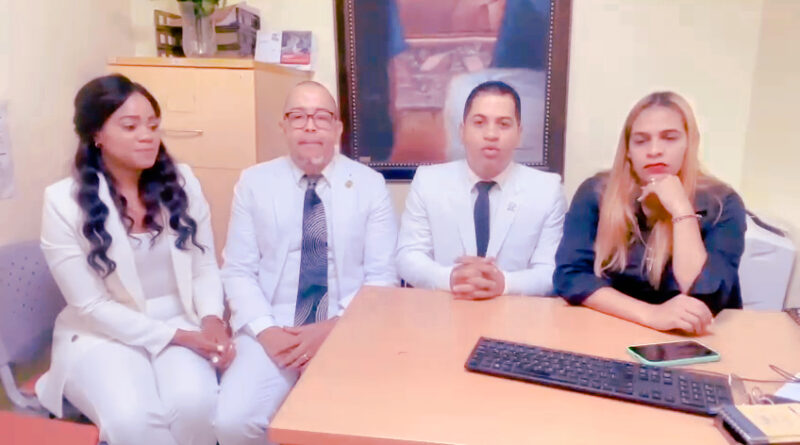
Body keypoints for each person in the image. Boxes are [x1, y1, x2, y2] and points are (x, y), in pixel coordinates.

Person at [36, 74, 233, 445]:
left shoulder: (183, 182)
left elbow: (204, 265)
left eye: (153, 125)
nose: (147, 136)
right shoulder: (62, 202)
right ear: (96, 134)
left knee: (195, 407)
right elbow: (91, 306)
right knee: (133, 421)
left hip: (181, 318)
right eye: (130, 126)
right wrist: (180, 338)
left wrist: (211, 319)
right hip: (102, 334)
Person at [214, 81, 399, 445]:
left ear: (338, 127)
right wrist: (267, 331)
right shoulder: (254, 183)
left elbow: (382, 276)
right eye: (298, 116)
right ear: (283, 126)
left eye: (321, 117)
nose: (310, 126)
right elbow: (238, 270)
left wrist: (332, 328)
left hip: (346, 322)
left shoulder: (370, 184)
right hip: (272, 322)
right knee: (232, 422)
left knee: (340, 426)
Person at [554, 91, 746, 335]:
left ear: (689, 144)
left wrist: (681, 210)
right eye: (641, 140)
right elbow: (570, 277)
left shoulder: (723, 203)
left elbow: (704, 295)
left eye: (669, 138)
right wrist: (651, 315)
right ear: (628, 151)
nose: (654, 150)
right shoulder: (596, 193)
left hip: (693, 338)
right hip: (612, 329)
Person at [396, 80, 566, 299]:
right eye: (479, 123)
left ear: (519, 134)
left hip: (515, 311)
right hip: (445, 307)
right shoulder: (428, 181)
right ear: (462, 131)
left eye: (503, 124)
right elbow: (408, 256)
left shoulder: (547, 190)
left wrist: (504, 283)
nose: (491, 134)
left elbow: (551, 271)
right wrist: (451, 278)